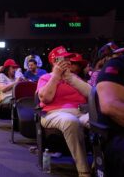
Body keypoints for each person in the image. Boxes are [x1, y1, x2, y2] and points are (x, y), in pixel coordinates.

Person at [37, 46, 92, 177]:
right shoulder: (45, 77)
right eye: (64, 59)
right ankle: (84, 171)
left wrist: (70, 78)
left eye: (68, 59)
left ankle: (101, 163)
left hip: (80, 112)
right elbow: (46, 98)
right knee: (70, 121)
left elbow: (92, 94)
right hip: (53, 113)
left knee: (102, 120)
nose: (68, 61)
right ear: (54, 61)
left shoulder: (74, 77)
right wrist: (56, 76)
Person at [96, 54, 124, 177]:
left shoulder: (78, 77)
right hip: (117, 132)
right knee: (70, 121)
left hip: (82, 109)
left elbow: (86, 92)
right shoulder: (117, 64)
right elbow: (109, 106)